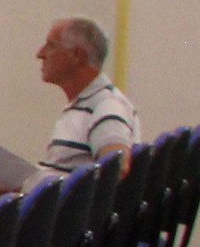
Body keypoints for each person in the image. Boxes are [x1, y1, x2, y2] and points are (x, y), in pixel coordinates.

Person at [34, 16, 141, 172]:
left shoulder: (107, 105)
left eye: (51, 45)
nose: (40, 54)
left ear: (76, 55)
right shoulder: (86, 105)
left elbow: (117, 168)